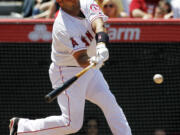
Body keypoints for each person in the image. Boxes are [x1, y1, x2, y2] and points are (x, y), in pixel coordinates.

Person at [9, 0, 132, 135]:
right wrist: (93, 60)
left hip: (90, 71)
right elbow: (81, 59)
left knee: (111, 106)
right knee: (71, 124)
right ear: (60, 2)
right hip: (67, 71)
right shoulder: (62, 26)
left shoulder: (86, 2)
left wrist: (101, 44)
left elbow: (99, 23)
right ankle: (22, 127)